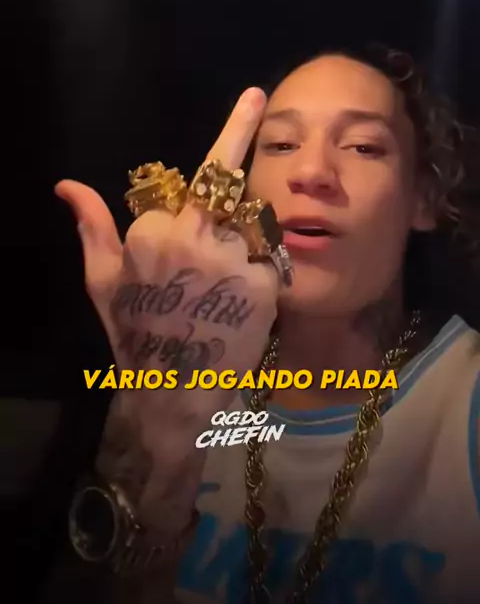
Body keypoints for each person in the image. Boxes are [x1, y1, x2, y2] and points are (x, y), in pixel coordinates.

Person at [52, 45, 479, 604]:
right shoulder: (170, 367)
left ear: (423, 197)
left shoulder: (464, 401)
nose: (311, 173)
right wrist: (157, 449)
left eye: (364, 146)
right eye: (279, 145)